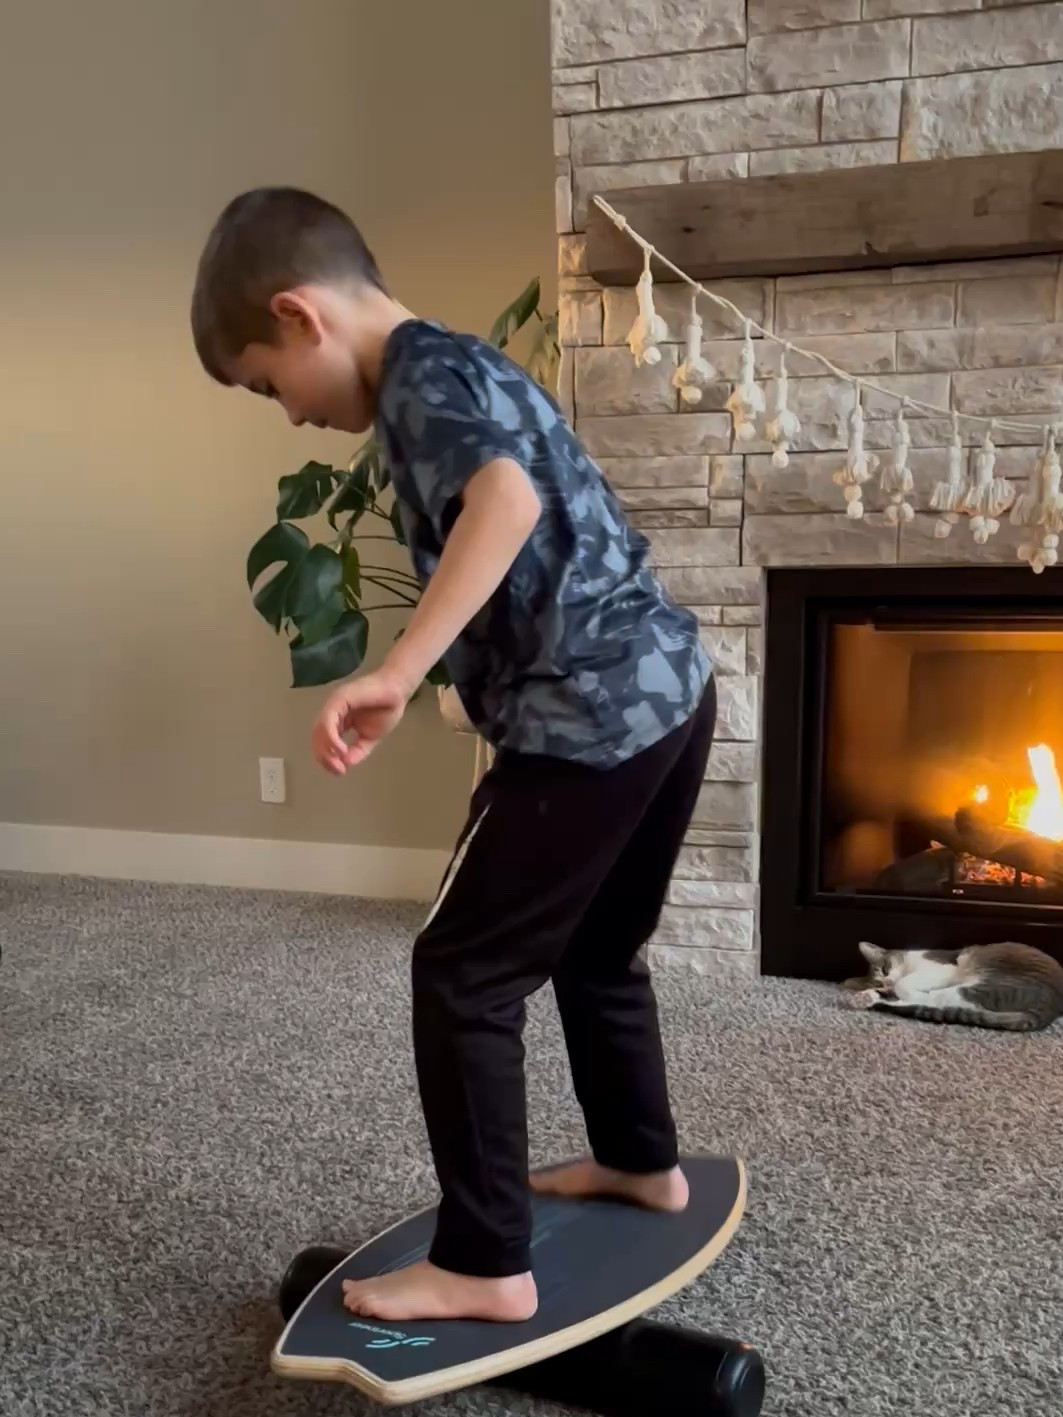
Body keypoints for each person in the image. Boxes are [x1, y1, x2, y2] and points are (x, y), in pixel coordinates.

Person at [191, 187, 716, 1324]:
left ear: (298, 316)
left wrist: (395, 669)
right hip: (672, 690)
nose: (290, 417)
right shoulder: (463, 362)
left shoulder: (417, 382)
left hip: (586, 725)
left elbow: (506, 501)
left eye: (270, 386)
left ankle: (485, 1264)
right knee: (598, 948)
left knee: (462, 974)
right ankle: (640, 1160)